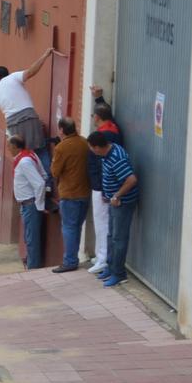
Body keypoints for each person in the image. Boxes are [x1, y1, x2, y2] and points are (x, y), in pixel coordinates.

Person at [88, 131, 139, 288]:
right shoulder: (106, 153)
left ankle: (119, 273)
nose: (90, 150)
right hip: (112, 200)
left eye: (91, 147)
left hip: (122, 203)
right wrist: (107, 193)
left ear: (97, 147)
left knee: (119, 238)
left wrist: (116, 196)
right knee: (111, 235)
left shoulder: (116, 158)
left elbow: (131, 180)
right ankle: (110, 267)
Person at [0, 48, 54, 175]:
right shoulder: (13, 77)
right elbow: (31, 71)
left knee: (23, 155)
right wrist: (45, 55)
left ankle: (31, 182)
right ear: (7, 73)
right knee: (41, 150)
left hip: (12, 125)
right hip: (28, 117)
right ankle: (48, 183)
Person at [87, 87, 123, 274]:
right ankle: (101, 255)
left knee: (102, 222)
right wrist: (99, 98)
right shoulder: (111, 128)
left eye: (94, 114)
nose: (92, 117)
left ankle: (102, 258)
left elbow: (101, 164)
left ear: (97, 118)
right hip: (104, 185)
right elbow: (107, 114)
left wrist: (101, 188)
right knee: (103, 222)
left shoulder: (105, 135)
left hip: (102, 187)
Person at [50, 117, 91, 273]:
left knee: (68, 227)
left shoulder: (61, 148)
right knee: (77, 227)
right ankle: (73, 258)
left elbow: (54, 171)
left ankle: (70, 261)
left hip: (69, 194)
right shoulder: (84, 142)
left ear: (61, 130)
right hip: (85, 192)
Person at [9, 135, 46, 269]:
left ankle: (33, 268)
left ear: (15, 147)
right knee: (30, 237)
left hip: (30, 204)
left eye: (10, 147)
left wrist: (40, 205)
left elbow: (40, 183)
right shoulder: (30, 155)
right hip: (27, 204)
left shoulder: (24, 161)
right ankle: (31, 264)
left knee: (31, 239)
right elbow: (43, 175)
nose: (9, 149)